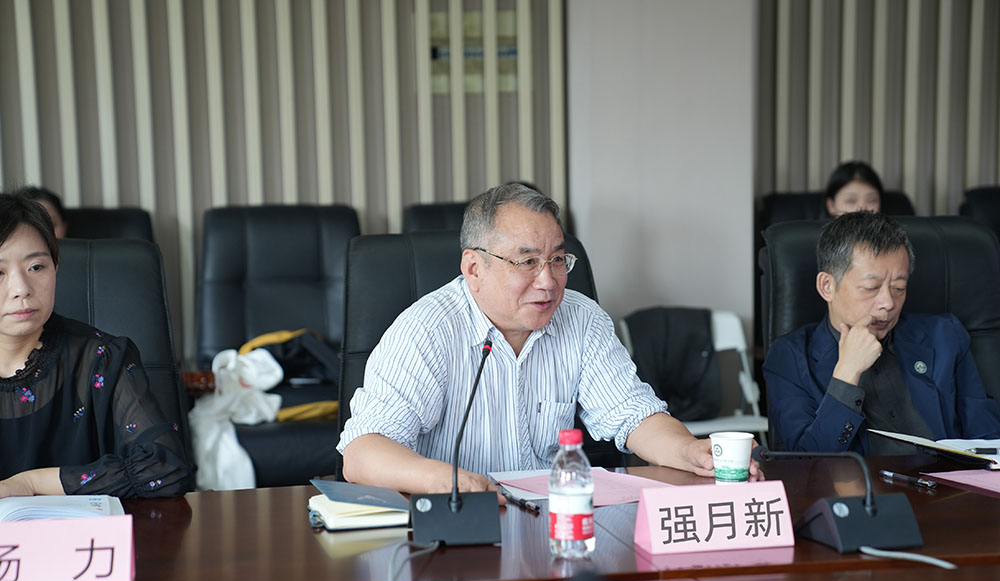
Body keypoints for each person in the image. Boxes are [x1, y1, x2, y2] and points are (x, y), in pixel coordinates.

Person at [338, 183, 759, 495]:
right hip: (460, 525)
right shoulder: (427, 330)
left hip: (555, 521)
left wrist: (689, 451)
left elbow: (634, 416)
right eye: (527, 262)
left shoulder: (581, 319)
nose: (548, 281)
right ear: (474, 269)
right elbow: (362, 453)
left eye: (557, 259)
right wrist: (445, 480)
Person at [0, 191, 194, 498]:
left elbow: (165, 468)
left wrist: (30, 484)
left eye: (36, 267)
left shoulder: (103, 358)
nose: (21, 289)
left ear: (56, 267)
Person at [763, 210, 1000, 453]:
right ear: (827, 286)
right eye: (871, 287)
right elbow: (805, 463)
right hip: (861, 479)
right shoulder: (791, 358)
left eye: (899, 288)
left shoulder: (945, 337)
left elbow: (988, 440)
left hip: (947, 476)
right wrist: (847, 374)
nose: (888, 303)